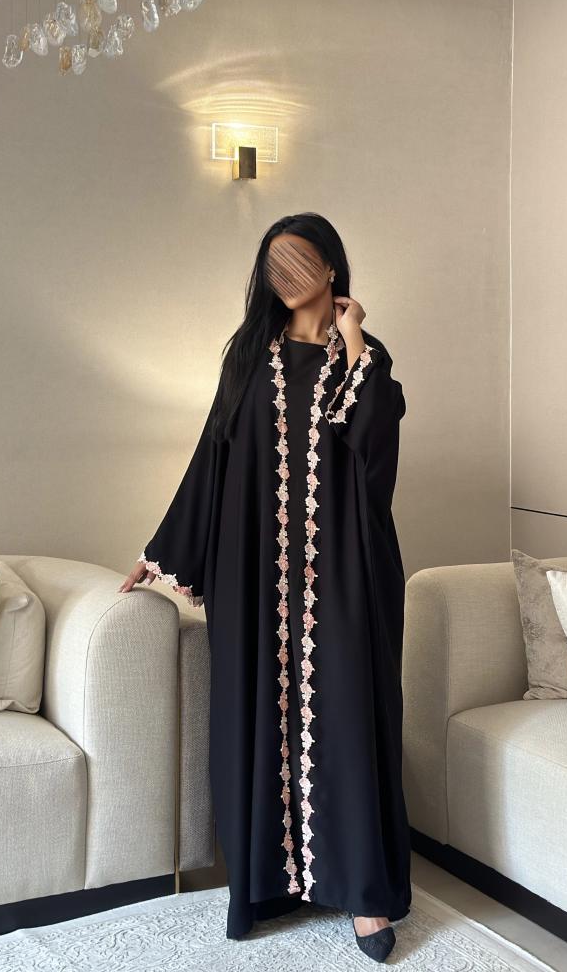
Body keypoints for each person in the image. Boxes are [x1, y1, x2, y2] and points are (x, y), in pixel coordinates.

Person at [118, 212, 410, 962]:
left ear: (331, 267)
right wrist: (161, 552)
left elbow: (373, 449)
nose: (285, 276)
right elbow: (211, 456)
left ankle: (364, 896)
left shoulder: (365, 358)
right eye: (274, 264)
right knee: (258, 713)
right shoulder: (249, 357)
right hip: (257, 573)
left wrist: (353, 336)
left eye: (300, 260)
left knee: (347, 716)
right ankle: (268, 885)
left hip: (345, 572)